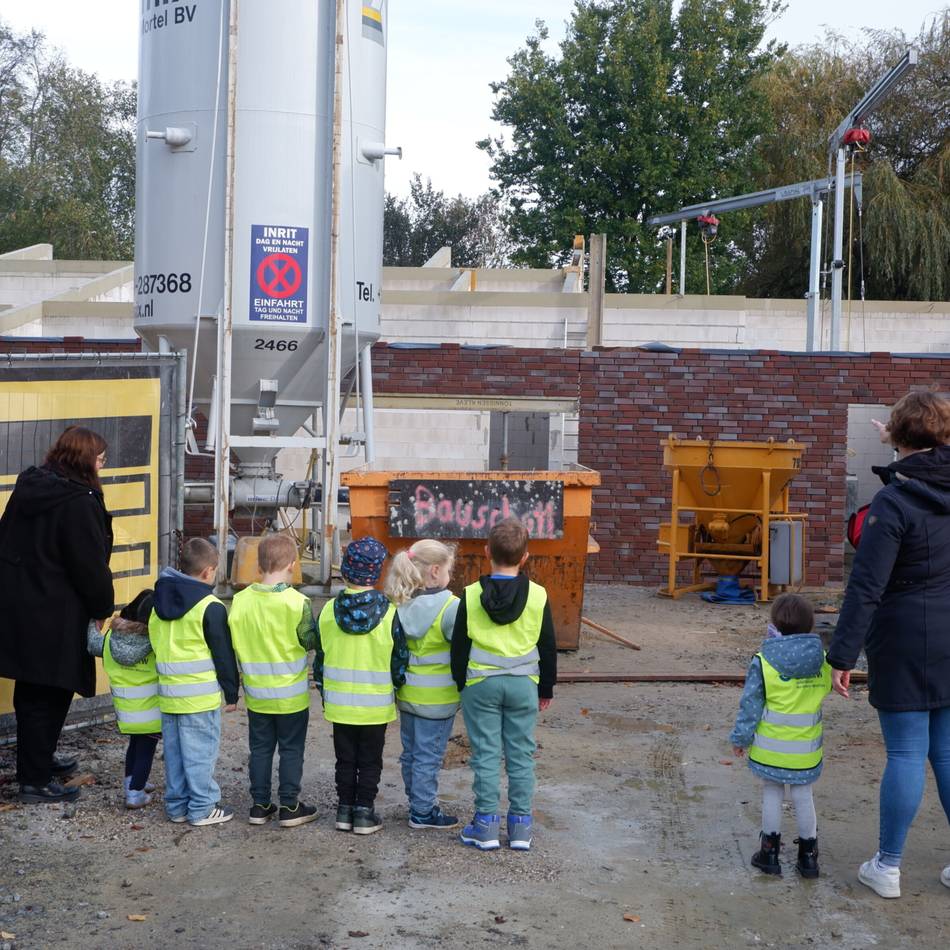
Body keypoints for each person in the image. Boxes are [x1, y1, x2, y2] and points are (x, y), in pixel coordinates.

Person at [828, 391, 950, 899]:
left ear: (900, 438)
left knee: (905, 753)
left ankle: (888, 866)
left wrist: (841, 655)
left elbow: (866, 586)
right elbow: (926, 455)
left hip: (904, 639)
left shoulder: (894, 501)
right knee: (945, 751)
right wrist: (899, 440)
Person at [0, 426, 114, 804]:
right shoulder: (77, 501)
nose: (103, 464)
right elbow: (89, 564)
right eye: (99, 458)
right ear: (83, 460)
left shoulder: (32, 487)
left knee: (36, 690)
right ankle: (33, 780)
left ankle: (40, 760)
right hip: (55, 611)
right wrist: (102, 607)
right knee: (49, 693)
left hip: (24, 606)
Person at [450, 517, 557, 852]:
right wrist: (546, 688)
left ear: (486, 553)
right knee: (521, 754)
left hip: (481, 684)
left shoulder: (469, 595)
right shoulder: (538, 596)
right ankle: (521, 827)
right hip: (523, 684)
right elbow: (548, 645)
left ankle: (485, 826)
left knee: (485, 753)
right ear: (525, 557)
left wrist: (460, 684)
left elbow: (459, 646)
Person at [730, 593, 831, 878]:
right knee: (803, 794)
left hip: (769, 748)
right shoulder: (822, 660)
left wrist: (740, 739)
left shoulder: (763, 661)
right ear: (810, 625)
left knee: (772, 792)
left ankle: (769, 853)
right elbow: (825, 689)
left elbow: (750, 705)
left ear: (775, 624)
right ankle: (808, 858)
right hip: (806, 750)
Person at [314, 537, 408, 835]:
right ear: (378, 571)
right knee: (370, 760)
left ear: (345, 569)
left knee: (345, 759)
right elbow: (400, 659)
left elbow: (320, 658)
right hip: (375, 705)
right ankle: (364, 813)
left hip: (340, 704)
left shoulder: (328, 611)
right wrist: (398, 684)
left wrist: (323, 690)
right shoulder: (391, 612)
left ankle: (344, 810)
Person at [148, 538, 239, 827]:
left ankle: (177, 806)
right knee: (200, 754)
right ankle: (201, 807)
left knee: (174, 755)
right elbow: (223, 654)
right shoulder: (210, 606)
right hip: (200, 698)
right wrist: (232, 692)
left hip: (169, 695)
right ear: (207, 572)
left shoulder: (156, 602)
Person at [229, 534, 318, 828]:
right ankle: (290, 805)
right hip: (291, 696)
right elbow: (308, 641)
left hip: (257, 694)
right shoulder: (298, 602)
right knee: (291, 749)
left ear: (259, 565)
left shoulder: (240, 602)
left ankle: (260, 804)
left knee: (261, 749)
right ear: (292, 564)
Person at [385, 540, 461, 830]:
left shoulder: (400, 603)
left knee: (411, 754)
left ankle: (415, 801)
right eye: (449, 570)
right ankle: (422, 811)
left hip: (408, 694)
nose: (450, 576)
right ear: (435, 571)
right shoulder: (451, 607)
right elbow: (460, 650)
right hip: (439, 699)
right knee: (429, 757)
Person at [87, 589, 161, 809]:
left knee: (134, 745)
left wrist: (93, 621)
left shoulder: (111, 638)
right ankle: (135, 794)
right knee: (146, 751)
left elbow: (92, 644)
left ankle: (132, 782)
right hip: (151, 710)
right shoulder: (155, 642)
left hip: (125, 711)